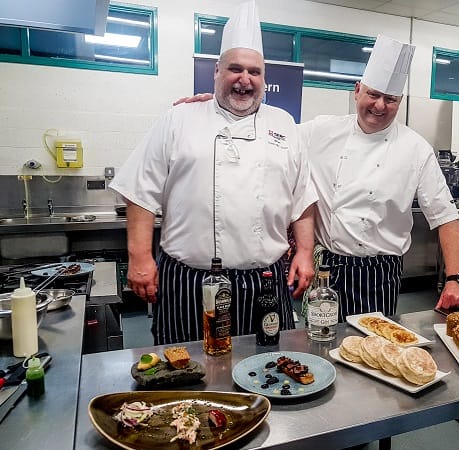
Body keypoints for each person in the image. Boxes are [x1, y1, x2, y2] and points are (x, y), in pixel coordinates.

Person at [175, 34, 459, 321]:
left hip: (380, 271)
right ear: (357, 91)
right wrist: (217, 107)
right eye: (373, 94)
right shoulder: (321, 131)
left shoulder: (416, 148)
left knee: (374, 352)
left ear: (399, 102)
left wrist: (455, 278)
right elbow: (265, 129)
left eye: (390, 99)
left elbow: (445, 216)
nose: (379, 105)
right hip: (327, 264)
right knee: (318, 345)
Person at [110, 1, 317, 345]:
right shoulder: (179, 119)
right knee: (187, 373)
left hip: (264, 279)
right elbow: (139, 190)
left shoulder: (284, 125)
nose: (244, 79)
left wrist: (305, 252)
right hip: (189, 281)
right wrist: (140, 257)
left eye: (254, 71)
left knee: (268, 368)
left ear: (264, 78)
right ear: (216, 72)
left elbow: (303, 199)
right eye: (235, 69)